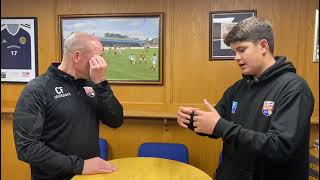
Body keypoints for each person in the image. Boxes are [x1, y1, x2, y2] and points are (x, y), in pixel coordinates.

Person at [177, 17, 314, 180]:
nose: (236, 57)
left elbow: (279, 147)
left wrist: (220, 126)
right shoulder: (237, 88)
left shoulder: (294, 89)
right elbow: (217, 125)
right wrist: (192, 120)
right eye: (234, 52)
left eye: (242, 50)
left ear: (263, 46)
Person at [13, 32, 124, 180]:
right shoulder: (39, 88)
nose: (102, 64)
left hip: (89, 176)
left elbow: (115, 120)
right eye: (97, 58)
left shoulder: (92, 85)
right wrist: (80, 166)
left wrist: (101, 84)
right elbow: (26, 147)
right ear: (76, 56)